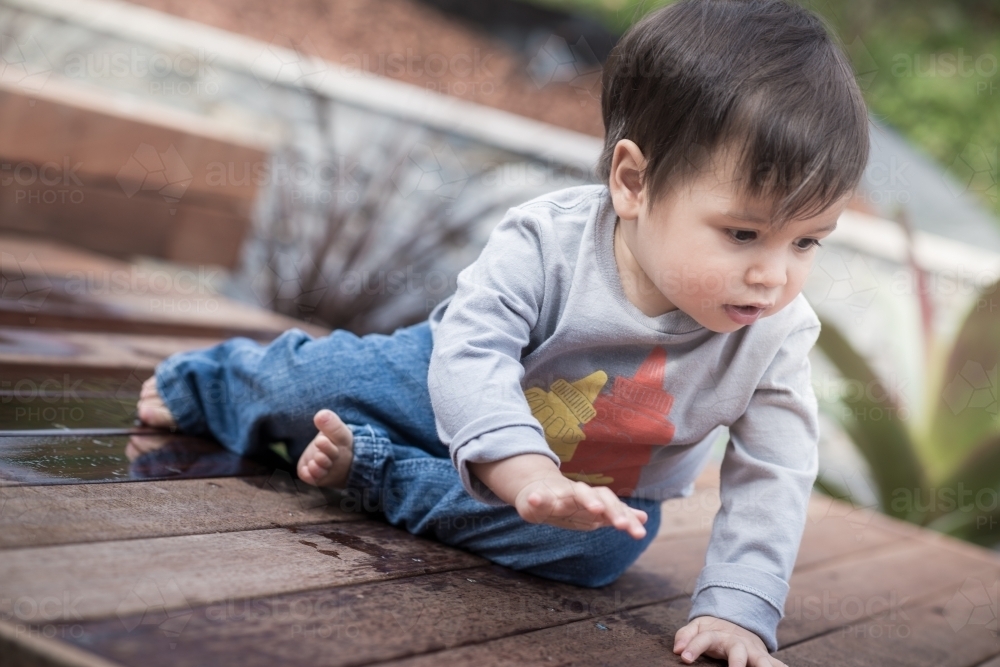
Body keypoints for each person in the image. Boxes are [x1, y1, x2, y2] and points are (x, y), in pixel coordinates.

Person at [137, 1, 869, 664]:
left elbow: (774, 471)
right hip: (439, 386)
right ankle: (209, 384)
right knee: (319, 383)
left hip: (588, 486)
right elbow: (473, 352)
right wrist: (525, 473)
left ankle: (372, 469)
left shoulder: (775, 334)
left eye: (807, 243)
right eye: (744, 233)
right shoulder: (549, 242)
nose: (774, 276)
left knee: (596, 549)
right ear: (634, 183)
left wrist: (739, 610)